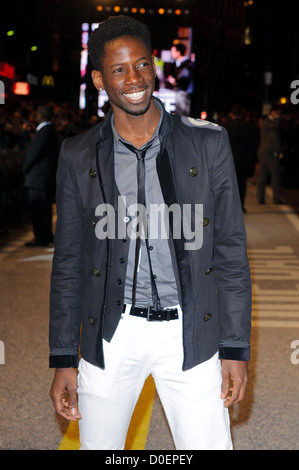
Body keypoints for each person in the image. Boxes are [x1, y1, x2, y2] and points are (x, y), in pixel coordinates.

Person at [49, 16, 251, 450]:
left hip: (191, 328)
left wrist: (234, 347)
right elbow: (68, 261)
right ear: (100, 78)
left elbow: (231, 249)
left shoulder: (208, 143)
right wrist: (64, 358)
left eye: (142, 64)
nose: (134, 78)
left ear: (154, 66)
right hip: (111, 329)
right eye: (119, 69)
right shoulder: (78, 154)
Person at [22, 104, 60, 246]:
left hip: (38, 178)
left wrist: (24, 170)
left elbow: (32, 155)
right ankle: (46, 236)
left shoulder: (43, 131)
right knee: (44, 209)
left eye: (37, 113)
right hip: (44, 177)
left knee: (39, 209)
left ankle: (41, 238)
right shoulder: (50, 130)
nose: (34, 115)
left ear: (42, 115)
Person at [224, 104, 258, 211]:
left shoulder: (224, 126)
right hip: (244, 161)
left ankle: (229, 207)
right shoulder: (250, 127)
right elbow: (254, 145)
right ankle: (240, 206)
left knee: (228, 185)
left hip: (227, 160)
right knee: (242, 184)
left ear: (231, 114)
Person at [257, 106, 282, 204]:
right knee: (262, 178)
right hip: (265, 153)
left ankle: (276, 199)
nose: (278, 115)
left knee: (275, 178)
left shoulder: (272, 123)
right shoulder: (266, 122)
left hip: (273, 153)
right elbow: (275, 126)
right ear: (272, 112)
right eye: (277, 112)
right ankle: (261, 199)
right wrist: (277, 118)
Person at [167, 43, 194, 116]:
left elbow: (183, 79)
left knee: (182, 115)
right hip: (180, 92)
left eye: (173, 51)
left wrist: (175, 82)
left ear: (178, 52)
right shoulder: (178, 63)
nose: (171, 53)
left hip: (184, 92)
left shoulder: (187, 64)